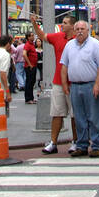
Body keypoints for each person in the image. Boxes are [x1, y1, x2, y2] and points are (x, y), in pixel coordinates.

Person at [30, 10, 77, 154]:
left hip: (74, 82)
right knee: (57, 113)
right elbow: (43, 36)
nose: (62, 25)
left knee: (75, 115)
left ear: (72, 26)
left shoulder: (79, 40)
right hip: (58, 82)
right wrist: (34, 24)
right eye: (62, 22)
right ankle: (53, 142)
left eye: (65, 23)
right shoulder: (57, 37)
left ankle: (76, 141)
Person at [60, 19, 99, 157]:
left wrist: (97, 84)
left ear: (88, 30)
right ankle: (81, 145)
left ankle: (97, 145)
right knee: (79, 117)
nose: (80, 31)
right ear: (74, 31)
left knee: (94, 117)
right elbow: (64, 66)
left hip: (91, 85)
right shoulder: (69, 45)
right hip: (75, 86)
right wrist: (65, 85)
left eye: (83, 29)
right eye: (78, 29)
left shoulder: (95, 45)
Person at [22, 33, 39, 103]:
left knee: (32, 82)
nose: (33, 37)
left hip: (33, 66)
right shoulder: (27, 45)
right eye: (31, 36)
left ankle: (31, 97)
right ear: (28, 37)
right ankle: (28, 98)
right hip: (30, 67)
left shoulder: (32, 44)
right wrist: (29, 64)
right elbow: (24, 54)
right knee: (29, 82)